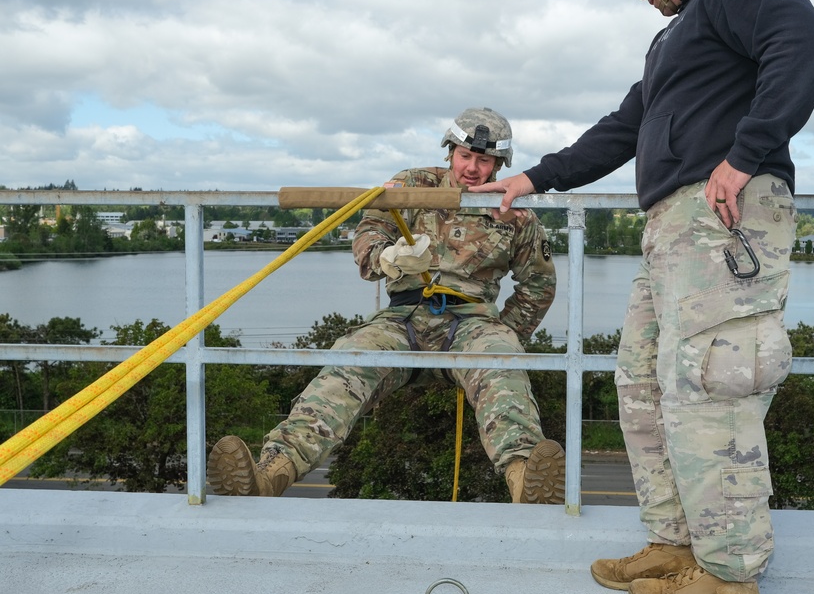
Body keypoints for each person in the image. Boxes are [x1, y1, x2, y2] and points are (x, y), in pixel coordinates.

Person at [471, 0, 814, 594]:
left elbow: (806, 44)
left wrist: (745, 153)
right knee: (641, 379)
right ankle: (674, 542)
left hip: (723, 212)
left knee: (710, 383)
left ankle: (729, 574)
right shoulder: (674, 37)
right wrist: (534, 179)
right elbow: (622, 128)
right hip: (672, 228)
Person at [208, 107, 565, 505]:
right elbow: (369, 231)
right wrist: (386, 257)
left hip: (471, 323)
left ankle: (525, 482)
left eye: (484, 161)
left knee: (503, 369)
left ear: (499, 164)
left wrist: (503, 335)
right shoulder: (412, 186)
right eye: (465, 156)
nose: (472, 168)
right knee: (347, 366)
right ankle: (269, 474)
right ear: (450, 152)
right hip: (403, 319)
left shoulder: (514, 211)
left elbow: (539, 283)